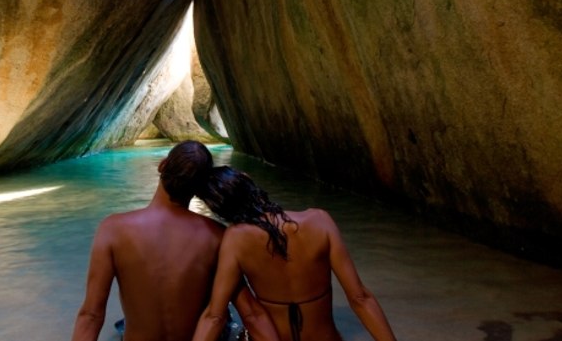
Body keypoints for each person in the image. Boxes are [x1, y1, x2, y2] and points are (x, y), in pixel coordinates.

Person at [71, 141, 279, 341]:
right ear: (199, 190)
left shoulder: (113, 229)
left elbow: (91, 315)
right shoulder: (217, 235)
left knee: (125, 324)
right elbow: (251, 313)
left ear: (162, 166)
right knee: (224, 315)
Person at [191, 167, 397, 341]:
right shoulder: (320, 221)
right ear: (248, 181)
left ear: (221, 211)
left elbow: (214, 317)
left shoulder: (234, 240)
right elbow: (360, 298)